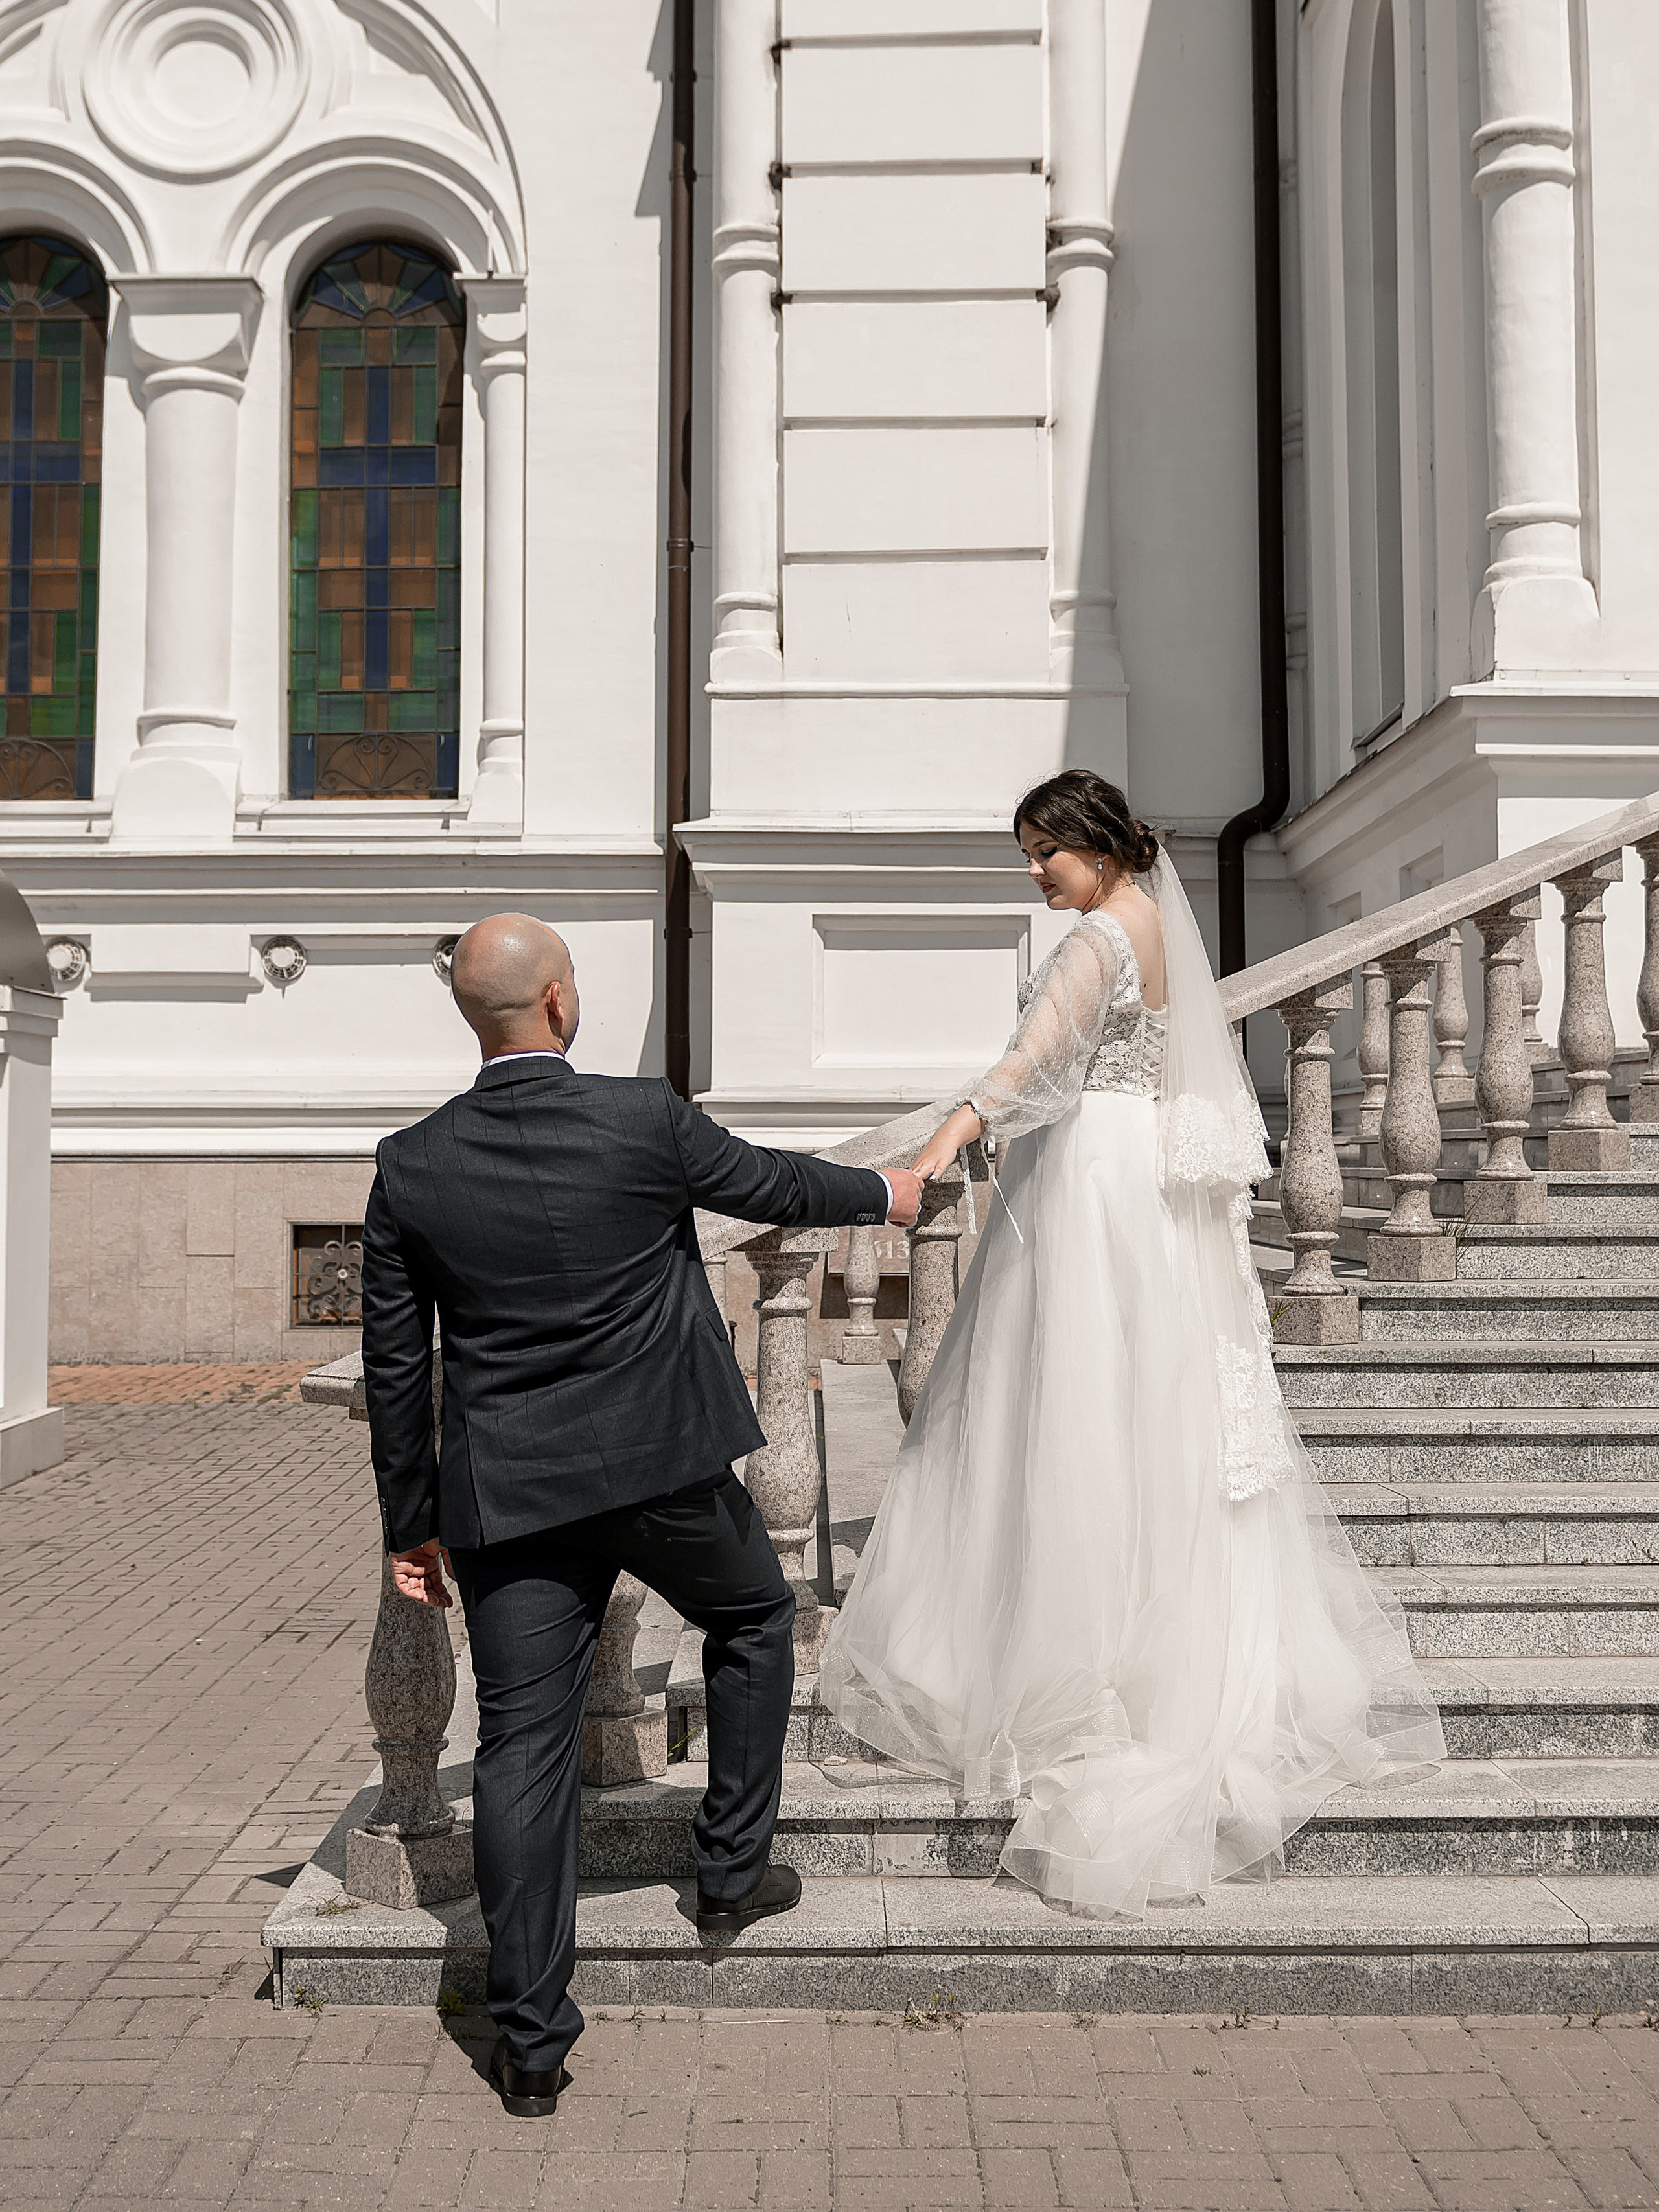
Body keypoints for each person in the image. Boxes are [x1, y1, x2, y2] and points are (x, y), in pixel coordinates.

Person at [819, 769, 1443, 1918]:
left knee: (1065, 1403)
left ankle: (1061, 1658)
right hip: (1141, 1173)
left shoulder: (1095, 940)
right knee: (1141, 1405)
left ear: (1091, 848)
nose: (1036, 876)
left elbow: (1021, 1069)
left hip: (1093, 1176)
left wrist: (936, 1148)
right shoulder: (1153, 924)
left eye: (1041, 855)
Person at [360, 914, 923, 2117]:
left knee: (520, 1745)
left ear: (477, 1017)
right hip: (666, 1471)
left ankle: (530, 2044)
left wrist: (410, 1527)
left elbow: (397, 1368)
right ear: (560, 1003)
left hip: (508, 1498)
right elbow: (774, 1183)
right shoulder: (643, 1117)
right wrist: (891, 1188)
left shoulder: (412, 1163)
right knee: (757, 1617)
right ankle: (730, 1872)